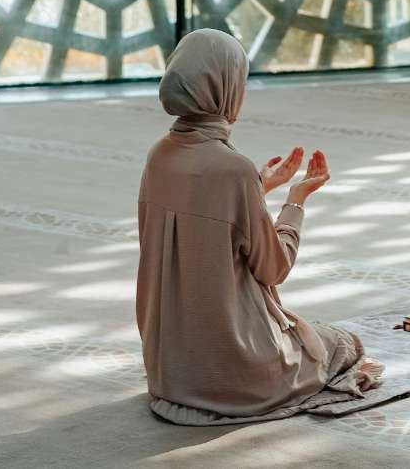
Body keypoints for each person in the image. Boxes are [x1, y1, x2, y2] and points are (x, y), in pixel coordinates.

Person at [136, 28, 382, 424]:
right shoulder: (233, 170)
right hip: (237, 372)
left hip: (170, 370)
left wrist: (258, 188)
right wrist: (295, 201)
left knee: (320, 338)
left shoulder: (159, 155)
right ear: (224, 88)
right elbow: (274, 268)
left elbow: (195, 228)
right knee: (341, 344)